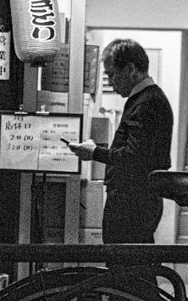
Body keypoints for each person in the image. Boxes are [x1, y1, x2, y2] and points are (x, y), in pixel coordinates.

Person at [66, 39, 173, 244]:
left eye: (112, 74)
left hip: (131, 200)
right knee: (137, 268)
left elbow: (134, 156)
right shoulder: (148, 99)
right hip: (139, 198)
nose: (110, 82)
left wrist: (95, 152)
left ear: (131, 69)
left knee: (125, 267)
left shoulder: (146, 102)